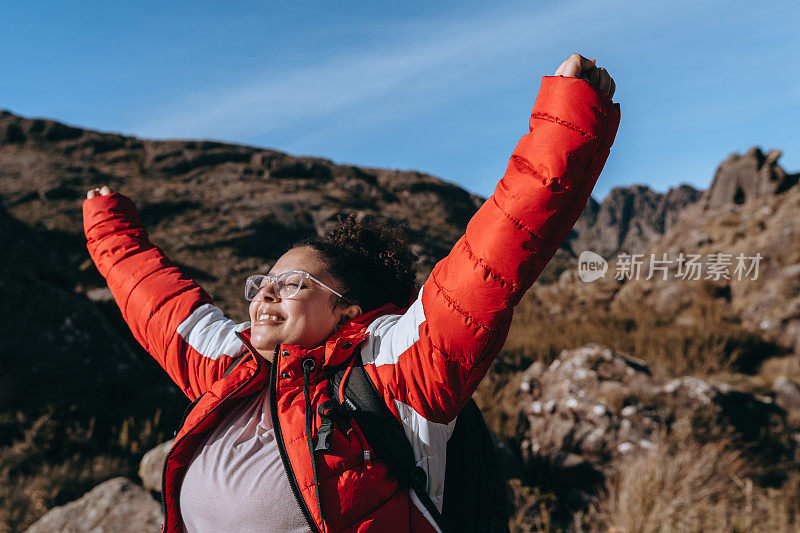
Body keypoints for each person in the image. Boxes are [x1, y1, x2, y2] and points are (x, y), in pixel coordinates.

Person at [83, 53, 619, 533]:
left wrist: (567, 122)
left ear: (348, 309)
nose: (265, 294)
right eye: (261, 283)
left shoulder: (394, 372)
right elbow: (156, 302)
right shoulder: (233, 367)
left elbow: (491, 259)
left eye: (290, 284)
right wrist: (109, 226)